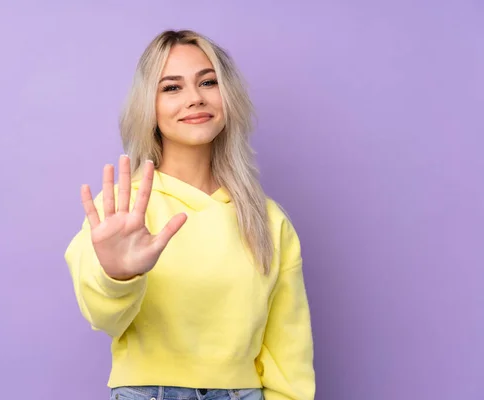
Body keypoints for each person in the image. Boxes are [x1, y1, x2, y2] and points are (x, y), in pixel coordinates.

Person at [64, 29, 315, 400]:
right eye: (172, 88)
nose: (195, 99)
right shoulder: (122, 208)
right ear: (148, 106)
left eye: (208, 82)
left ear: (227, 95)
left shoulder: (267, 219)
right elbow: (103, 317)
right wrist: (119, 274)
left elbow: (288, 355)